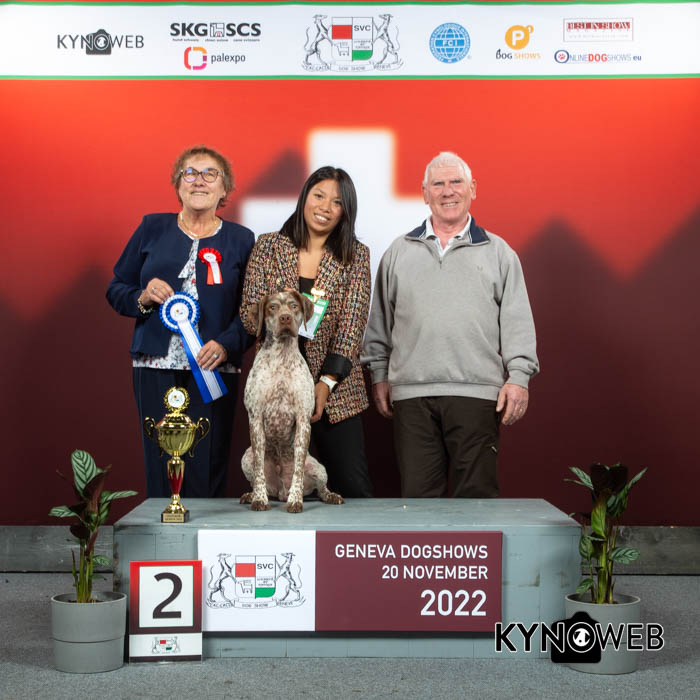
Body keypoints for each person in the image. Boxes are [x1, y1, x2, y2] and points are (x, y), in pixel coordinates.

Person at [362, 151, 539, 498]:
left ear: (472, 188)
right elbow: (380, 321)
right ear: (424, 193)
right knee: (418, 501)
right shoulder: (399, 251)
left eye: (456, 182)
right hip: (411, 396)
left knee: (476, 500)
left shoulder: (499, 253)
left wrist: (519, 378)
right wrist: (379, 374)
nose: (448, 191)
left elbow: (517, 321)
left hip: (478, 395)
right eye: (438, 184)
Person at [107, 145, 255, 498]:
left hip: (213, 365)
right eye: (190, 173)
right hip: (154, 364)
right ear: (178, 184)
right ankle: (164, 529)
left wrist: (227, 345)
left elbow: (252, 310)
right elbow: (116, 289)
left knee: (208, 460)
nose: (198, 181)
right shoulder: (152, 227)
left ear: (224, 188)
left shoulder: (241, 239)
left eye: (209, 174)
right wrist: (143, 296)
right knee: (160, 457)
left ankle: (203, 532)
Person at [240, 166, 373, 498]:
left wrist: (325, 383)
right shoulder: (268, 246)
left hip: (336, 392)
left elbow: (351, 327)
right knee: (279, 489)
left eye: (337, 202)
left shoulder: (356, 256)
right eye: (319, 196)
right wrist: (280, 309)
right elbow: (248, 315)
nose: (325, 207)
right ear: (304, 198)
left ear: (346, 211)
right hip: (275, 388)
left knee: (352, 487)